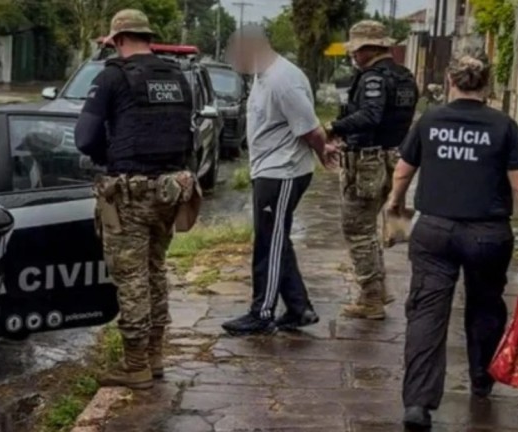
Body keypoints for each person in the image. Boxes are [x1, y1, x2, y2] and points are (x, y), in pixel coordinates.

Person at [387, 52, 518, 429]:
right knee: (485, 307)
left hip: (434, 231)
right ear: (488, 84)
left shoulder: (431, 120)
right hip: (488, 235)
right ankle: (482, 379)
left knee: (426, 313)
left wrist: (395, 208)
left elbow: (403, 172)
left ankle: (418, 404)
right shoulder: (504, 126)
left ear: (450, 82)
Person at [74, 9, 198, 390]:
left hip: (129, 191)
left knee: (131, 279)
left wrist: (107, 156)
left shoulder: (113, 76)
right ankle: (156, 357)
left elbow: (84, 138)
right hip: (169, 190)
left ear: (117, 39)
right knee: (155, 271)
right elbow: (187, 134)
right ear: (148, 37)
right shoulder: (177, 76)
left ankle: (135, 365)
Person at [220, 24, 337, 335]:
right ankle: (299, 309)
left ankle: (262, 311)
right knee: (275, 240)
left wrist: (324, 151)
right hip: (268, 169)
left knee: (269, 243)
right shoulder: (263, 75)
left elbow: (311, 128)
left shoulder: (284, 80)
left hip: (283, 171)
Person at [325, 20, 419, 320]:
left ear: (370, 49)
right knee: (370, 227)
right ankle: (379, 289)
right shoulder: (405, 76)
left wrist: (334, 128)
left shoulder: (373, 79)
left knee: (357, 228)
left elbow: (370, 115)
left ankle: (371, 297)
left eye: (356, 50)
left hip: (368, 161)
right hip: (394, 158)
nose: (353, 56)